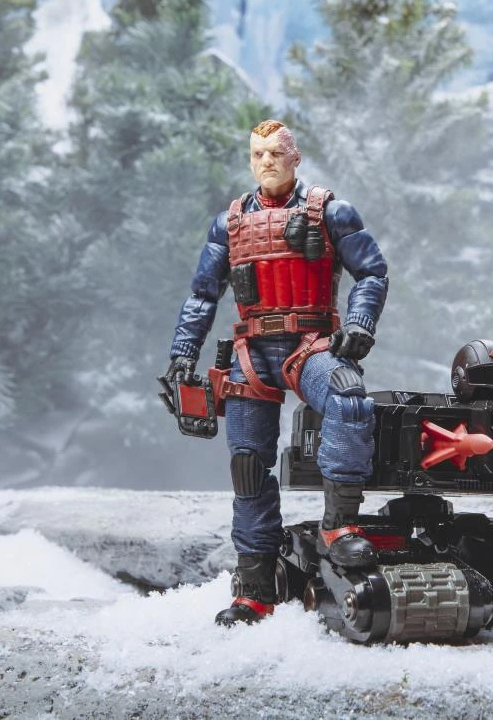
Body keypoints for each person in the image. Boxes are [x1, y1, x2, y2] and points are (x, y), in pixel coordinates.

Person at [166, 120, 388, 626]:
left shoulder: (331, 212)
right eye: (257, 153)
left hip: (310, 344)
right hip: (252, 353)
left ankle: (339, 526)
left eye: (275, 152)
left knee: (350, 399)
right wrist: (183, 351)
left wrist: (359, 323)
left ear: (295, 157)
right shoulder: (229, 224)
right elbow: (203, 295)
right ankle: (255, 590)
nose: (266, 161)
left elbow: (372, 273)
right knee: (248, 466)